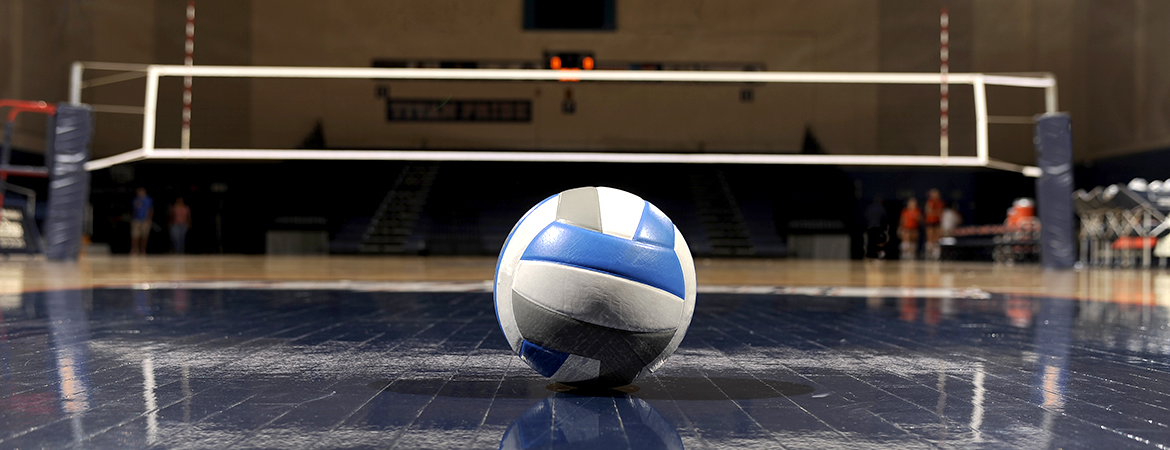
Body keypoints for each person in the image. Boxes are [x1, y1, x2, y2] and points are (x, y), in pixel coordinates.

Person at [130, 187, 153, 255]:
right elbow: (132, 210)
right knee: (135, 235)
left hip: (145, 220)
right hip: (136, 220)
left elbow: (150, 210)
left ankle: (142, 250)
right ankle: (134, 249)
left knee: (144, 236)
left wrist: (149, 219)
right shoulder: (135, 199)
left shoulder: (148, 199)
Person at [924, 189, 945, 260]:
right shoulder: (930, 202)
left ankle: (936, 254)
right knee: (930, 238)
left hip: (937, 222)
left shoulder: (940, 202)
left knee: (937, 238)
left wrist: (937, 213)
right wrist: (936, 213)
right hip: (930, 222)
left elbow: (941, 212)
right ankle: (928, 253)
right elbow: (929, 211)